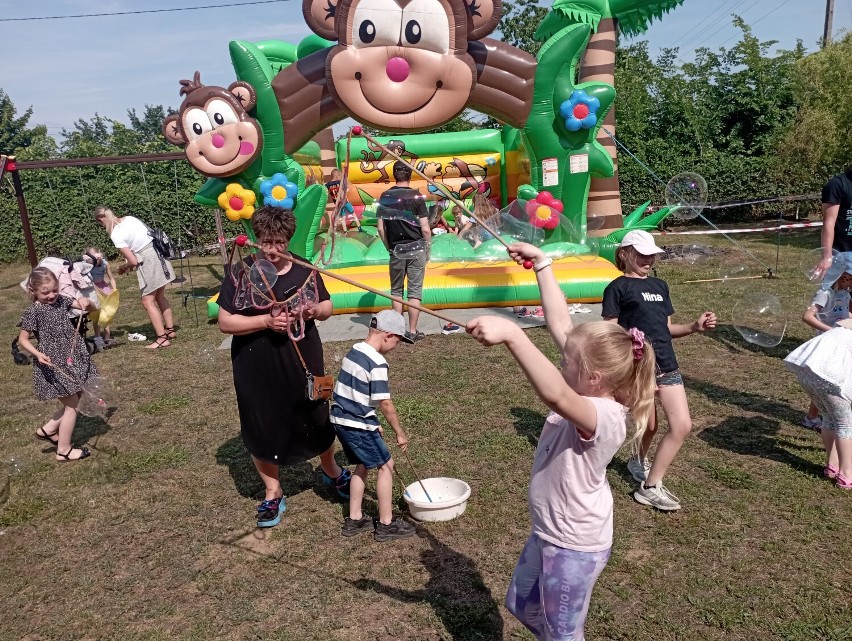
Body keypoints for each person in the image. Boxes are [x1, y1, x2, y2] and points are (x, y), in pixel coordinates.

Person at [466, 242, 657, 640]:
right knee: (520, 605)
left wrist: (515, 336)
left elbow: (556, 395)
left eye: (566, 362)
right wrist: (542, 265)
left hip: (574, 545)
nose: (560, 361)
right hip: (549, 532)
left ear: (593, 378)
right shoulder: (591, 388)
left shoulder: (603, 415)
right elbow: (561, 327)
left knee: (564, 632)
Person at [217, 205, 351, 527]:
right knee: (261, 419)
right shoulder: (241, 272)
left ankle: (330, 469)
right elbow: (224, 322)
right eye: (265, 241)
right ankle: (273, 492)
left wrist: (314, 310)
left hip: (302, 353)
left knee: (315, 411)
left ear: (288, 238)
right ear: (255, 238)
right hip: (256, 359)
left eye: (279, 242)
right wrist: (265, 320)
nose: (273, 249)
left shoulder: (303, 268)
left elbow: (328, 306)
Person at [602, 229, 716, 511]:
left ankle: (650, 486)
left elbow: (665, 328)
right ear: (624, 254)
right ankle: (636, 460)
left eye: (651, 254)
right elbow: (609, 331)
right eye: (642, 254)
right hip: (639, 367)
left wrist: (694, 327)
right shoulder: (617, 288)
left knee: (682, 425)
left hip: (667, 363)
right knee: (649, 426)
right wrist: (629, 348)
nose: (648, 259)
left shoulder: (660, 286)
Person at [330, 309, 417, 541]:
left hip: (341, 419)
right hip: (357, 423)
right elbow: (385, 402)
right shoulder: (377, 362)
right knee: (386, 465)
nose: (396, 346)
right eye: (398, 340)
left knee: (362, 464)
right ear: (387, 335)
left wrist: (371, 419)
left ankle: (355, 519)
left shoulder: (354, 351)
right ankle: (387, 523)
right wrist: (400, 433)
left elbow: (353, 392)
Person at [17, 267, 98, 462]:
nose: (52, 295)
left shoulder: (62, 300)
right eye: (45, 292)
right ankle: (64, 450)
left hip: (72, 355)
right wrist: (38, 354)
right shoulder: (34, 311)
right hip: (53, 361)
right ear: (33, 290)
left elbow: (91, 308)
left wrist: (87, 302)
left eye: (55, 290)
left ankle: (48, 429)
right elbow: (23, 340)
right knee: (72, 406)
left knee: (77, 396)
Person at [93, 207, 175, 349]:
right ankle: (170, 330)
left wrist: (122, 268)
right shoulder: (130, 218)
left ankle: (162, 338)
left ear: (101, 219)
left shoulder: (115, 234)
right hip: (158, 253)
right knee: (160, 296)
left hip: (149, 260)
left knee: (147, 301)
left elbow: (133, 261)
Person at [784, 324, 852, 490]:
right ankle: (847, 474)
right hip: (829, 378)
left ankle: (832, 466)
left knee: (829, 417)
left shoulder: (841, 328)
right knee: (845, 424)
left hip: (808, 373)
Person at [377, 161, 431, 342]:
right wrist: (428, 248)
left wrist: (388, 247)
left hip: (396, 249)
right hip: (416, 247)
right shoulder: (416, 197)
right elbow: (425, 228)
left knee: (396, 291)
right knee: (415, 291)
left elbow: (380, 228)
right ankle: (413, 331)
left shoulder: (385, 197)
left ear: (394, 175)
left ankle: (398, 331)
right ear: (410, 175)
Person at [800, 262, 852, 431]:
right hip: (827, 345)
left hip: (841, 342)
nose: (850, 284)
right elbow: (807, 316)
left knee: (831, 382)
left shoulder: (845, 293)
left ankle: (815, 416)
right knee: (825, 382)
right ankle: (814, 417)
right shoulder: (824, 293)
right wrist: (830, 331)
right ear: (841, 276)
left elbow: (844, 312)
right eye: (848, 279)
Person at [819, 169, 852, 278]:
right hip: (842, 254)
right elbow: (828, 223)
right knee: (833, 293)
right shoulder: (837, 184)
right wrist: (826, 256)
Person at [83, 247, 117, 348]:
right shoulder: (87, 266)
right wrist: (98, 291)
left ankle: (107, 336)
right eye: (96, 258)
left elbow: (111, 278)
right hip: (93, 289)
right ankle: (97, 336)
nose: (99, 260)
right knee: (96, 314)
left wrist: (114, 290)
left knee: (106, 312)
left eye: (100, 258)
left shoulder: (105, 264)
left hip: (103, 287)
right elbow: (89, 281)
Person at [325, 168, 361, 233]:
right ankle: (359, 228)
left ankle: (345, 231)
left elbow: (324, 186)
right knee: (353, 214)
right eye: (339, 176)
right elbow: (348, 184)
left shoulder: (328, 185)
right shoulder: (340, 182)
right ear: (337, 176)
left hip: (338, 204)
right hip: (345, 202)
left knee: (343, 218)